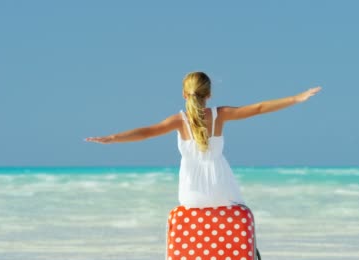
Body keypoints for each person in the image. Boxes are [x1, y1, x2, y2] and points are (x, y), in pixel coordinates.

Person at [85, 71, 321, 209]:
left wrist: (113, 138)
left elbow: (147, 132)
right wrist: (296, 98)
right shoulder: (221, 115)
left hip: (190, 196)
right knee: (241, 213)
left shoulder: (178, 120)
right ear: (209, 95)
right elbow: (259, 108)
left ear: (184, 94)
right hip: (223, 191)